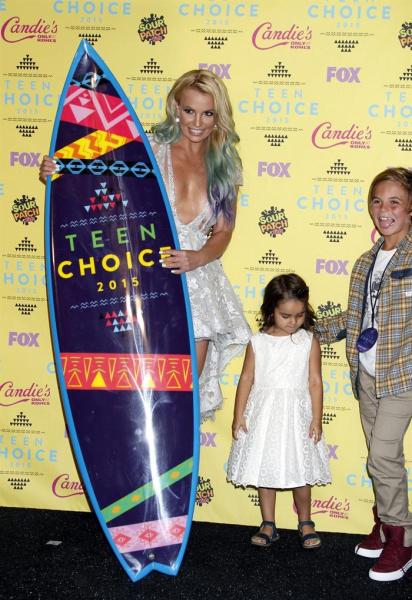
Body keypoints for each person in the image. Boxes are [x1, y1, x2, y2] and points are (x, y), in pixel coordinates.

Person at [40, 69, 250, 422]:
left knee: (184, 392)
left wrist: (198, 257)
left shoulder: (226, 167)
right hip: (145, 274)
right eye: (189, 111)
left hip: (197, 282)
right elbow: (98, 174)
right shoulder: (151, 150)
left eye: (208, 113)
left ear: (219, 116)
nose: (197, 122)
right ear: (175, 108)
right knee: (140, 385)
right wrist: (57, 169)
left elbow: (224, 233)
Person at [314, 167, 412, 582]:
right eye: (377, 201)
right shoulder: (364, 262)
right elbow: (353, 320)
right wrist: (303, 327)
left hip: (403, 376)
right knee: (381, 460)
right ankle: (385, 522)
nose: (384, 210)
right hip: (367, 376)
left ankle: (402, 540)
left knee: (382, 455)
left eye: (394, 202)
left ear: (410, 209)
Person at [226, 274, 331, 550]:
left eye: (299, 315)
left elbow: (315, 381)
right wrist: (238, 415)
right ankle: (268, 522)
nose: (293, 321)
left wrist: (317, 419)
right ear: (270, 310)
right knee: (265, 469)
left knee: (300, 470)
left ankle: (306, 521)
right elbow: (246, 378)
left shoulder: (309, 341)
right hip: (265, 415)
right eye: (286, 315)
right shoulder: (258, 342)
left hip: (297, 416)